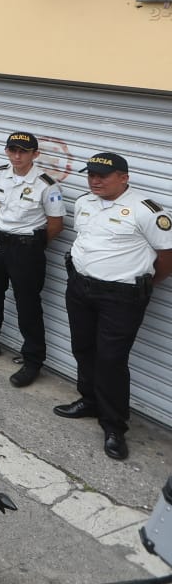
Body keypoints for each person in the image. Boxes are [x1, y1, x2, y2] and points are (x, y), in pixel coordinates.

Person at [54, 152, 172, 461]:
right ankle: (89, 400)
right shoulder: (84, 202)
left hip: (121, 297)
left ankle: (114, 425)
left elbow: (167, 256)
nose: (95, 179)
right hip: (80, 287)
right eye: (91, 173)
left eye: (103, 175)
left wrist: (142, 282)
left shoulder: (146, 210)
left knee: (111, 360)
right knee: (83, 347)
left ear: (124, 177)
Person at [0, 131, 64, 386]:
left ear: (35, 154)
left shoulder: (46, 185)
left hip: (26, 250)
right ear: (7, 151)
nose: (17, 155)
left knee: (28, 305)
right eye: (12, 150)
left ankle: (32, 361)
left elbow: (55, 224)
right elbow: (0, 207)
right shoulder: (0, 173)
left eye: (23, 151)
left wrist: (30, 247)